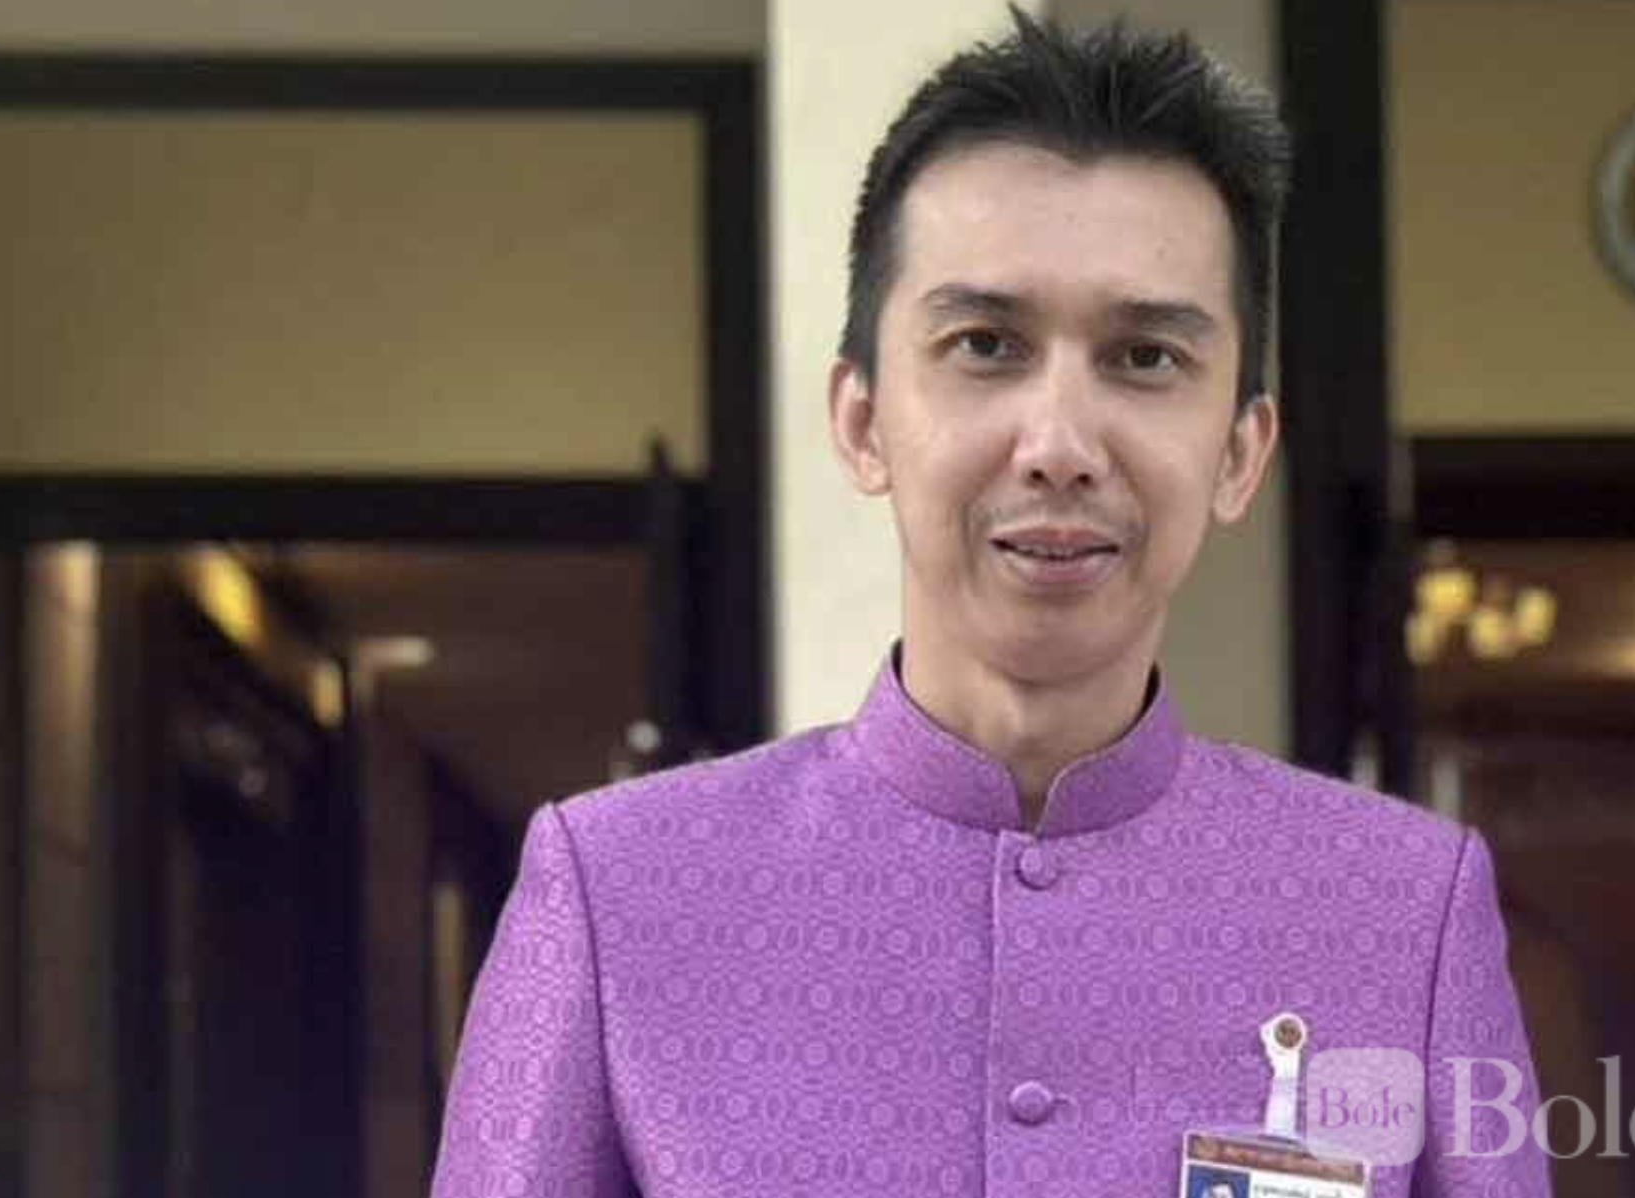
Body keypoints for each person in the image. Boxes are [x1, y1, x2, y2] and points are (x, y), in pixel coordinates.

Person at [430, 11, 1550, 1198]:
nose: (1058, 444)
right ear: (862, 420)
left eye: (1145, 357)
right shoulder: (618, 891)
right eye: (983, 344)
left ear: (1237, 452)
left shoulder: (1399, 908)